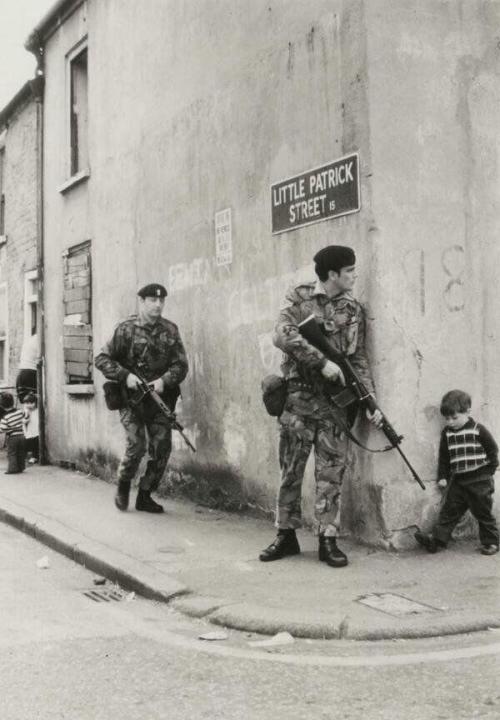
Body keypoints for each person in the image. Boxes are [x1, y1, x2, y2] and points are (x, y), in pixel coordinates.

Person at [259, 245, 382, 568]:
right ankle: (285, 535)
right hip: (298, 402)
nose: (355, 276)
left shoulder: (353, 309)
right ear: (332, 275)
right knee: (291, 471)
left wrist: (369, 400)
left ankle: (328, 539)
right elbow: (282, 335)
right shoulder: (300, 298)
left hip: (334, 407)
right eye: (350, 271)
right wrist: (321, 362)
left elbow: (357, 358)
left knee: (331, 475)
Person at [95, 283, 188, 513]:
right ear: (142, 301)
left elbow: (181, 364)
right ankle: (124, 483)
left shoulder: (170, 330)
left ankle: (145, 495)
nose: (158, 305)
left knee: (162, 448)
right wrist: (124, 376)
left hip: (159, 401)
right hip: (131, 401)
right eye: (153, 300)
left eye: (161, 301)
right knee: (136, 446)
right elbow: (101, 358)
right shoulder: (125, 329)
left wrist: (164, 381)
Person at [415, 389, 499, 556]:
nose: (450, 422)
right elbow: (444, 458)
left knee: (483, 512)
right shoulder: (447, 434)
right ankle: (437, 541)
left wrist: (489, 470)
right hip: (459, 480)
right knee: (449, 511)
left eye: (454, 418)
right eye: (447, 419)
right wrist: (443, 477)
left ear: (467, 412)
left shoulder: (477, 429)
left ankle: (491, 542)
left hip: (479, 480)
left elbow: (492, 449)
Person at [0, 392, 26, 474]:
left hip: (12, 437)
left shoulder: (5, 417)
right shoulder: (19, 412)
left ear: (2, 406)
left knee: (12, 453)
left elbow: (2, 429)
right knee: (21, 452)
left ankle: (12, 469)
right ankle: (21, 467)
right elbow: (25, 417)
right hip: (22, 435)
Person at [16, 332, 39, 403]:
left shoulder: (30, 340)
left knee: (26, 404)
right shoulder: (38, 340)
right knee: (33, 403)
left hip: (21, 373)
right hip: (30, 373)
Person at [22, 393, 39, 464]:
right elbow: (24, 421)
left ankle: (35, 456)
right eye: (26, 403)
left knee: (36, 443)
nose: (28, 405)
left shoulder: (38, 410)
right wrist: (26, 414)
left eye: (31, 403)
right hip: (30, 429)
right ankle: (31, 456)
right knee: (30, 443)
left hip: (37, 429)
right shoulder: (26, 411)